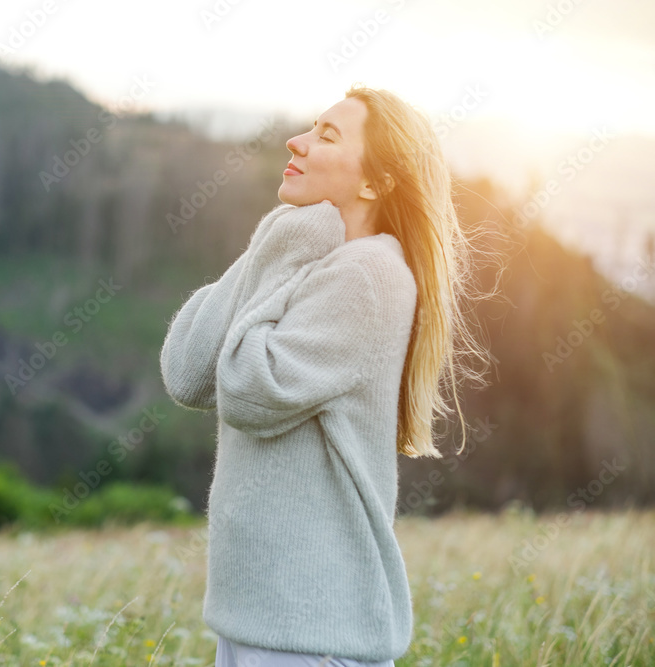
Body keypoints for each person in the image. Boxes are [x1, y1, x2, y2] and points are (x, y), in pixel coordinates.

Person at [159, 84, 491, 666]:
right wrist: (275, 245)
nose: (297, 140)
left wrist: (281, 244)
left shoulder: (369, 275)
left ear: (374, 182)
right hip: (257, 620)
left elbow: (245, 391)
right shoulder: (306, 253)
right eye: (311, 127)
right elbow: (187, 371)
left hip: (312, 630)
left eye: (327, 135)